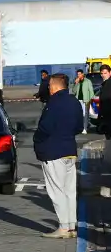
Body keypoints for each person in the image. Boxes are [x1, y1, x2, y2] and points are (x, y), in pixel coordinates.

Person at [35, 74, 84, 239]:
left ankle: (63, 227)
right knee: (70, 190)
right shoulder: (74, 102)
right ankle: (71, 226)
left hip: (53, 151)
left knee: (56, 190)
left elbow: (45, 127)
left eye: (49, 85)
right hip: (70, 150)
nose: (48, 88)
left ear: (55, 86)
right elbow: (78, 126)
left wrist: (37, 141)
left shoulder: (53, 103)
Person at [71, 69, 95, 135]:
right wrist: (75, 83)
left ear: (82, 74)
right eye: (77, 74)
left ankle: (85, 128)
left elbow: (91, 91)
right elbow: (73, 91)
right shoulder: (77, 82)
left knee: (85, 115)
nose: (78, 75)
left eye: (79, 74)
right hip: (78, 100)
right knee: (79, 115)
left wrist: (90, 100)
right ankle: (80, 127)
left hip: (85, 100)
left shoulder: (88, 81)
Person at [99, 64, 111, 138]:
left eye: (105, 73)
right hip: (106, 115)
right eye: (102, 73)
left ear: (110, 73)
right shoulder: (105, 84)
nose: (103, 75)